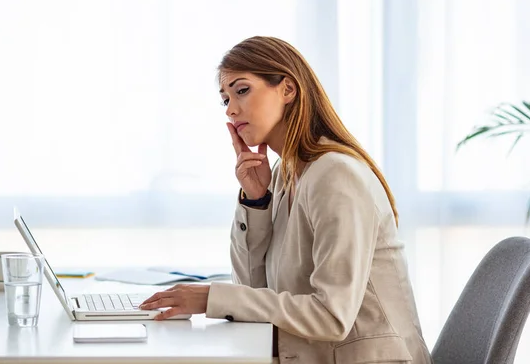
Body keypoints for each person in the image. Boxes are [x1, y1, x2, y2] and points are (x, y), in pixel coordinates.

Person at [140, 36, 432, 364]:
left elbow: (330, 316)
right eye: (225, 100)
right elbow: (253, 289)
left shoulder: (336, 175)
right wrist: (255, 201)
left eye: (242, 90)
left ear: (287, 90)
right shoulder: (284, 173)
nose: (232, 109)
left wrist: (212, 298)